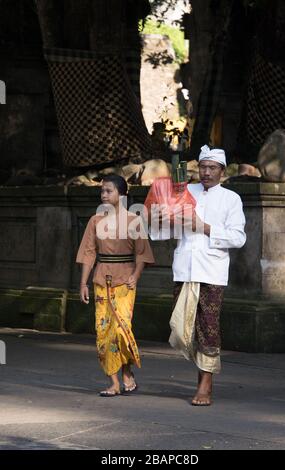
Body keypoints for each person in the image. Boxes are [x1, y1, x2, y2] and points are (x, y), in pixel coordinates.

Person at [169, 144, 246, 406]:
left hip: (212, 271)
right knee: (181, 329)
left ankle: (206, 383)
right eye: (202, 167)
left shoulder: (231, 199)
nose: (206, 172)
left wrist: (205, 228)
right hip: (184, 268)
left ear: (222, 171)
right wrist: (166, 216)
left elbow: (238, 238)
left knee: (208, 328)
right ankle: (202, 370)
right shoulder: (184, 191)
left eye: (212, 168)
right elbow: (164, 229)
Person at [76, 174, 154, 397]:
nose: (104, 194)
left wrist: (136, 276)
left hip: (125, 281)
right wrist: (83, 283)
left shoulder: (134, 220)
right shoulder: (95, 221)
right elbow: (89, 253)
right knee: (103, 332)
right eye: (102, 191)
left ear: (122, 195)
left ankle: (127, 371)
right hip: (101, 280)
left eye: (109, 191)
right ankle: (114, 382)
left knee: (120, 329)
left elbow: (142, 254)